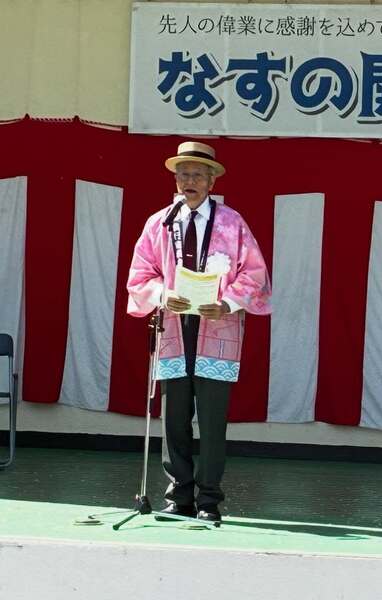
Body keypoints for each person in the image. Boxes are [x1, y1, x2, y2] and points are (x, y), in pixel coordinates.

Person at [127, 141, 272, 522]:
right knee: (174, 417)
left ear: (211, 182)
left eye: (197, 175)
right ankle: (179, 496)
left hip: (216, 326)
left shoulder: (232, 224)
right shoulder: (160, 224)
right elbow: (140, 274)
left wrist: (228, 302)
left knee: (211, 419)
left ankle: (209, 499)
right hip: (175, 327)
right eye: (183, 175)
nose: (189, 181)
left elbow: (254, 274)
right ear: (175, 180)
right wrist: (163, 294)